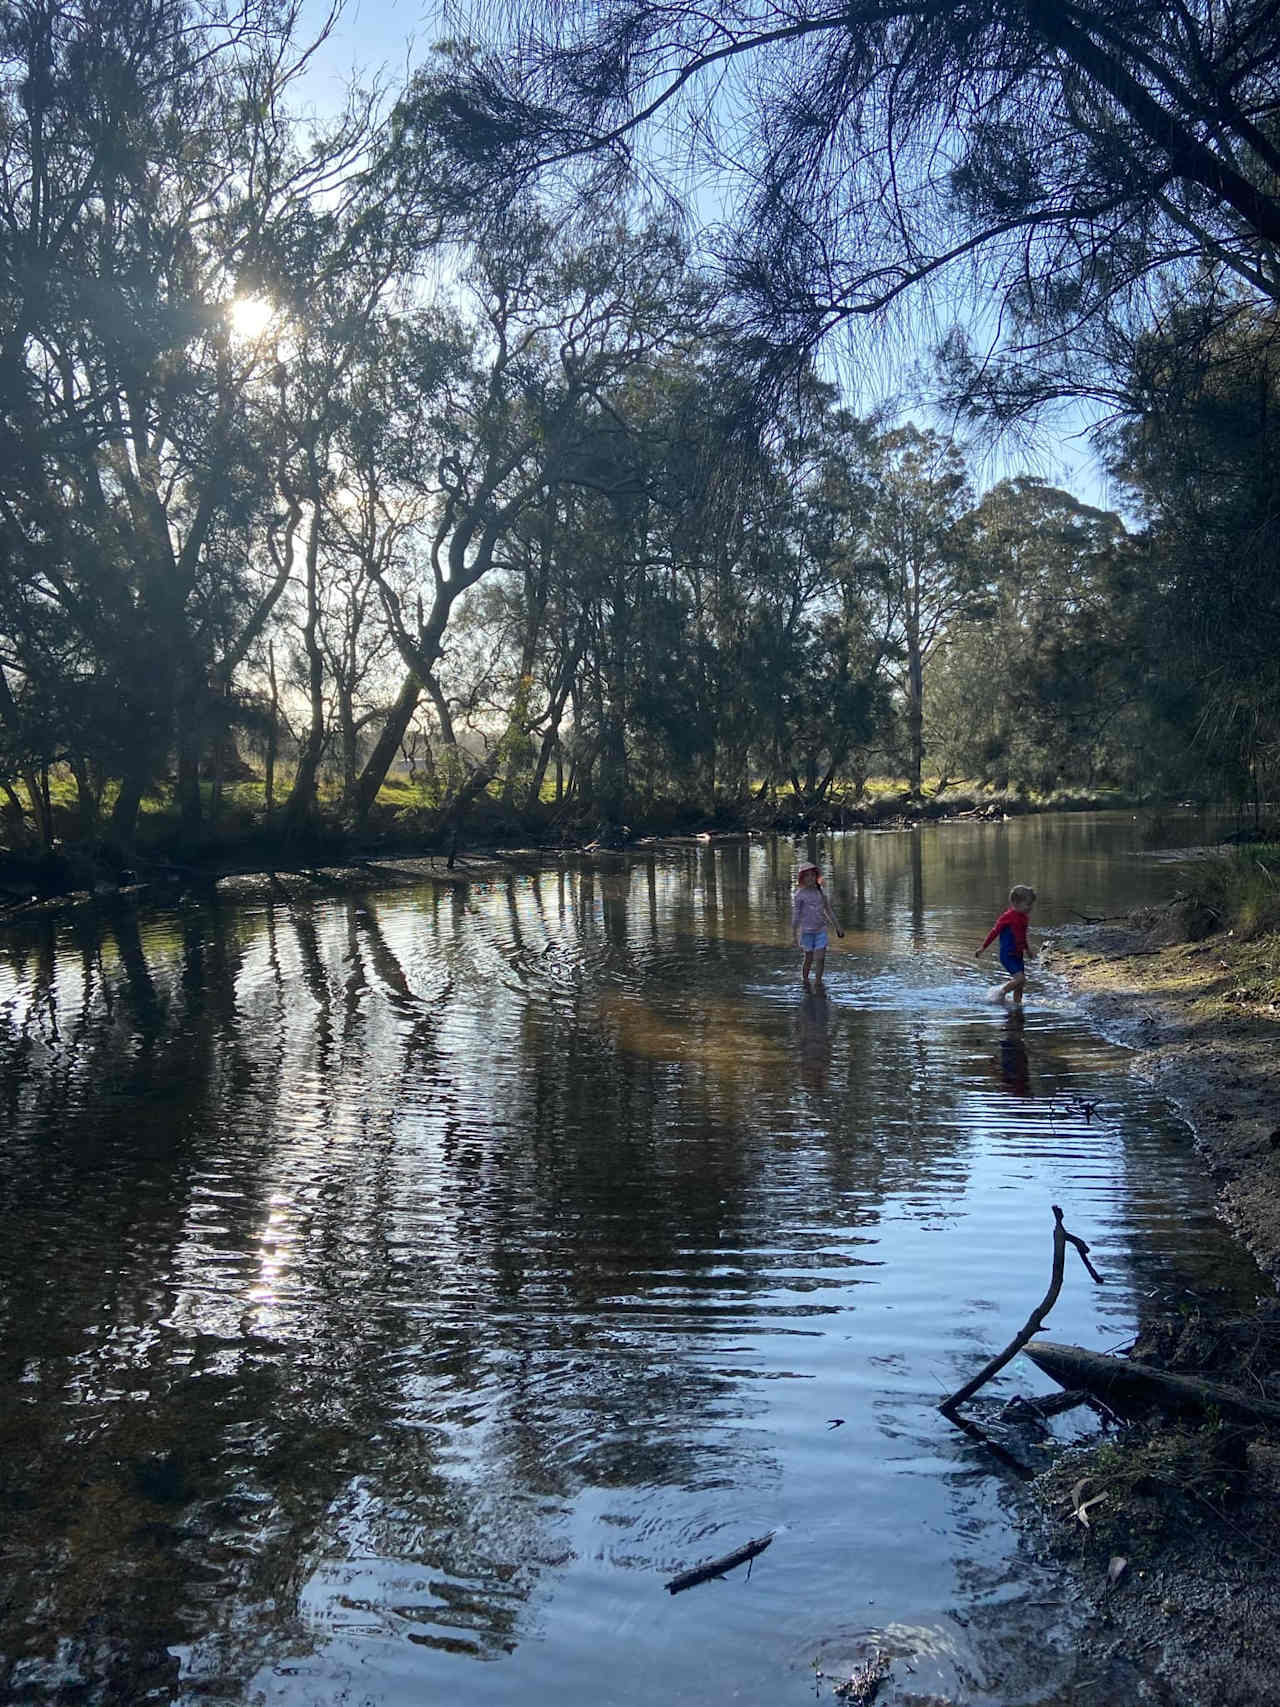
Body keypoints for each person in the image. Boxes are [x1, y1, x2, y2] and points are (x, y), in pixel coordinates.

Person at [976, 883, 1036, 1005]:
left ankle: (1017, 1005)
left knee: (1020, 984)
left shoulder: (1024, 918)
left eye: (1031, 904)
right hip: (1007, 955)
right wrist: (983, 948)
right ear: (1015, 903)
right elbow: (994, 932)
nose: (1030, 908)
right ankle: (999, 993)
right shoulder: (1007, 917)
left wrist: (1028, 950)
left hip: (1018, 955)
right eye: (1028, 904)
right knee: (1020, 979)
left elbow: (1022, 936)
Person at [792, 862, 844, 989]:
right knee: (809, 958)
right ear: (802, 879)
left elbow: (828, 911)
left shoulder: (821, 893)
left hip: (821, 931)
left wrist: (838, 927)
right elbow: (796, 915)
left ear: (816, 877)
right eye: (807, 876)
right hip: (807, 932)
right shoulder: (800, 895)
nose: (810, 878)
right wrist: (794, 935)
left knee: (820, 958)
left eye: (812, 875)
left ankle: (818, 981)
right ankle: (805, 980)